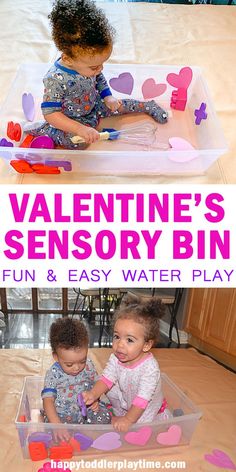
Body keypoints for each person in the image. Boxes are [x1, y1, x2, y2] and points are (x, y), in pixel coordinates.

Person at [28, 0, 168, 149]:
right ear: (67, 59)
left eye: (102, 64)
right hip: (73, 120)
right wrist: (79, 129)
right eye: (95, 66)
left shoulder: (88, 66)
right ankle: (46, 130)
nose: (100, 69)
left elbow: (99, 79)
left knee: (119, 105)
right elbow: (51, 114)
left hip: (94, 106)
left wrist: (108, 96)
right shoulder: (54, 79)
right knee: (78, 143)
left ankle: (148, 106)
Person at [83, 295, 172, 432]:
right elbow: (106, 379)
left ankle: (133, 421)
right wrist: (93, 394)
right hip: (126, 395)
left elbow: (143, 399)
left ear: (146, 345)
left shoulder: (150, 368)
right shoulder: (115, 358)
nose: (120, 345)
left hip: (144, 405)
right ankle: (120, 414)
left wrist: (128, 420)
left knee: (139, 428)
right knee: (107, 385)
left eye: (129, 340)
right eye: (117, 337)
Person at [41, 317, 111, 440]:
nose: (77, 368)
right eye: (69, 364)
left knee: (105, 416)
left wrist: (95, 399)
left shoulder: (88, 365)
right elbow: (48, 401)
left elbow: (98, 385)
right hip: (62, 415)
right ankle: (73, 436)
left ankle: (86, 438)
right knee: (51, 428)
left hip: (87, 409)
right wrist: (56, 424)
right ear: (56, 357)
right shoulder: (53, 373)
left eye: (82, 361)